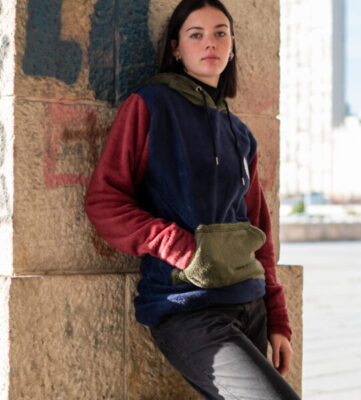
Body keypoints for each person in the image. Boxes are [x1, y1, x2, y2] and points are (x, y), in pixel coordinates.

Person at [85, 0, 301, 398]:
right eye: (196, 35)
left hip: (249, 303)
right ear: (176, 48)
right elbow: (104, 201)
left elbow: (259, 229)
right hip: (187, 307)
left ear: (232, 46)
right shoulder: (150, 105)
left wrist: (278, 319)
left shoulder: (241, 134)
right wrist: (181, 248)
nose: (210, 43)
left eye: (220, 33)